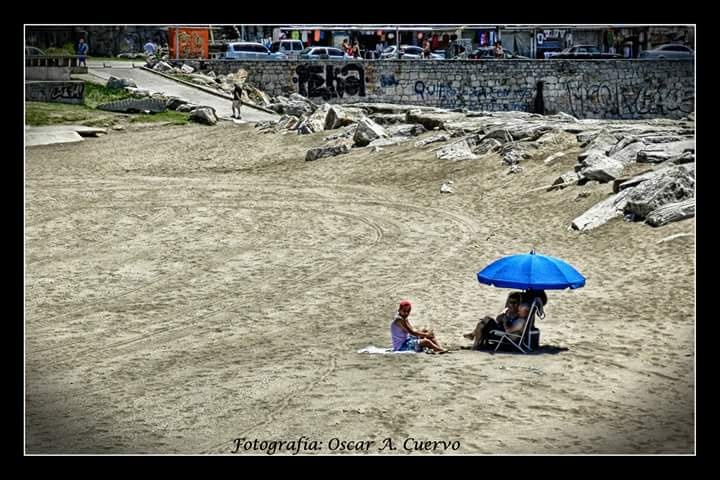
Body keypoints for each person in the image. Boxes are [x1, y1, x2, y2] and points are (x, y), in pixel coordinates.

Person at [464, 291, 528, 350]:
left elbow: (508, 331)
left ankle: (474, 340)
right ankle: (475, 341)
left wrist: (505, 321)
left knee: (486, 321)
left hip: (505, 337)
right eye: (510, 302)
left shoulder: (520, 320)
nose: (512, 305)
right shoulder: (508, 311)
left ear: (518, 304)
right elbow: (497, 319)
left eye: (514, 303)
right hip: (501, 331)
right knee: (483, 324)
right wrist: (503, 316)